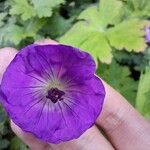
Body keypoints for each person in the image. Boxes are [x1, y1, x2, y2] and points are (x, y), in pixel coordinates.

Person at [0, 39, 150, 150]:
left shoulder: (85, 95)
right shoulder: (21, 90)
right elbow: (18, 102)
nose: (55, 94)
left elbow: (75, 62)